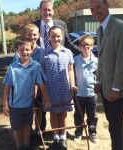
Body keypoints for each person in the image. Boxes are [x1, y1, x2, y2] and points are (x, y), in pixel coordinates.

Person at [89, 0, 123, 150]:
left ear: (107, 5)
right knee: (113, 125)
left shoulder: (120, 27)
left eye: (98, 7)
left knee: (116, 126)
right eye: (92, 9)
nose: (95, 12)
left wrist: (116, 88)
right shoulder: (99, 29)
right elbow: (100, 59)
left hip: (117, 89)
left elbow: (122, 61)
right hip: (105, 87)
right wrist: (97, 80)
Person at [33, 0, 79, 131]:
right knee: (41, 103)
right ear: (40, 10)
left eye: (49, 10)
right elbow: (28, 44)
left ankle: (60, 134)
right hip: (40, 70)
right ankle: (40, 130)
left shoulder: (61, 24)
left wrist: (81, 51)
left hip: (58, 74)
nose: (47, 12)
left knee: (59, 107)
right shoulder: (34, 25)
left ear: (53, 10)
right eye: (44, 10)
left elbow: (68, 43)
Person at [3, 37, 51, 150]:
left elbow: (41, 84)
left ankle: (26, 145)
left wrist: (47, 99)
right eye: (22, 50)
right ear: (17, 51)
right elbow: (7, 87)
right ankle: (19, 146)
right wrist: (5, 104)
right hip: (15, 105)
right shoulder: (12, 68)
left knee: (27, 126)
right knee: (17, 128)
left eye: (27, 50)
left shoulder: (36, 66)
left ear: (32, 50)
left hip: (29, 104)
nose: (25, 52)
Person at [40, 26, 76, 150]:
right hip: (50, 90)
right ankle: (56, 137)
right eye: (53, 36)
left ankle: (63, 137)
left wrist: (72, 85)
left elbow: (71, 70)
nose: (56, 38)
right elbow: (41, 74)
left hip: (65, 89)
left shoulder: (67, 52)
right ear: (49, 37)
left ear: (62, 36)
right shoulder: (44, 54)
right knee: (54, 114)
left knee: (63, 113)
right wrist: (44, 93)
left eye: (58, 36)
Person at [73, 35, 98, 143]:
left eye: (88, 45)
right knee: (78, 114)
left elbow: (100, 76)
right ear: (79, 47)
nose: (86, 47)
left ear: (92, 46)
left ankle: (92, 133)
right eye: (83, 45)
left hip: (92, 93)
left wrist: (98, 85)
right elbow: (71, 74)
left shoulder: (97, 61)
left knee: (92, 115)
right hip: (79, 93)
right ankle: (78, 132)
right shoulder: (75, 60)